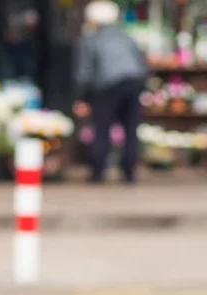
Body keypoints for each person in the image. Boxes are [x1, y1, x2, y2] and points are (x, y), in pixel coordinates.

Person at [75, 0, 149, 183]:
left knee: (101, 128)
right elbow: (141, 61)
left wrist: (82, 97)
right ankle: (130, 171)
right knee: (131, 129)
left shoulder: (91, 39)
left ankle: (97, 172)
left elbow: (85, 70)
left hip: (108, 85)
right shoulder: (126, 36)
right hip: (133, 82)